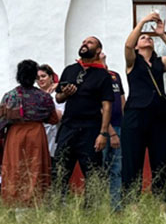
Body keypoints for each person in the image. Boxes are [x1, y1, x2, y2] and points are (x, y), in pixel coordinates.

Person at [121, 12, 166, 210]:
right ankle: (132, 207)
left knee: (161, 161)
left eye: (149, 38)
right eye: (143, 38)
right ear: (139, 45)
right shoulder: (132, 61)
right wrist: (143, 22)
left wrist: (162, 34)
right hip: (135, 115)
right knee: (132, 162)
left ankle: (162, 206)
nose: (147, 38)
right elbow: (128, 46)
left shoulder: (159, 63)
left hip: (159, 117)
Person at [53, 36, 114, 205]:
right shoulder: (70, 69)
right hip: (68, 128)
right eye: (83, 42)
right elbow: (58, 98)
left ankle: (91, 212)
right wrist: (65, 93)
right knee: (59, 171)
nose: (84, 44)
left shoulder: (103, 75)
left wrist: (103, 133)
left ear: (98, 50)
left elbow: (107, 106)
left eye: (90, 43)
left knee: (93, 173)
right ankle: (57, 208)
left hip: (90, 129)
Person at [0, 60, 59, 208]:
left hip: (15, 135)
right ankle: (35, 203)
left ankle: (15, 204)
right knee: (36, 168)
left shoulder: (10, 96)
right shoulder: (44, 97)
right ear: (34, 77)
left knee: (15, 168)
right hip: (36, 135)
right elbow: (53, 119)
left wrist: (2, 134)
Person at [103, 56, 125, 212]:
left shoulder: (115, 75)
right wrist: (110, 133)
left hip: (120, 126)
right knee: (101, 167)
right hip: (103, 130)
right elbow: (100, 107)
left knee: (117, 168)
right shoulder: (96, 77)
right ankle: (98, 205)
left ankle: (116, 206)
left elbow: (122, 100)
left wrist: (125, 124)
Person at [37, 64, 64, 159]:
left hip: (53, 137)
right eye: (37, 77)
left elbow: (59, 116)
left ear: (51, 77)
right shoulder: (34, 95)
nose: (40, 79)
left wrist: (47, 100)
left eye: (43, 76)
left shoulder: (58, 95)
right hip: (37, 137)